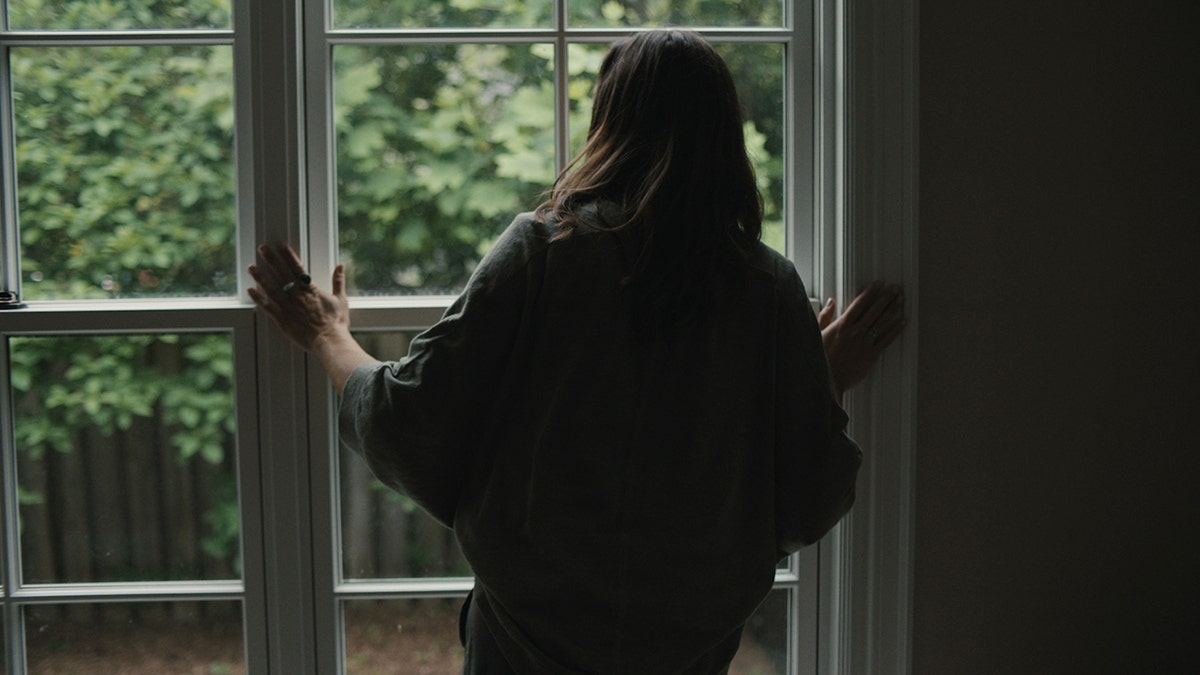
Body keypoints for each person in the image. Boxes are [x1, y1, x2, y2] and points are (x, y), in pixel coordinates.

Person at [249, 29, 903, 675]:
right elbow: (808, 493)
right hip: (686, 653)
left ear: (612, 123)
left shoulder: (543, 252)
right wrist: (825, 381)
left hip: (519, 648)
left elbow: (408, 417)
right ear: (724, 136)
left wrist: (327, 334)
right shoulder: (768, 288)